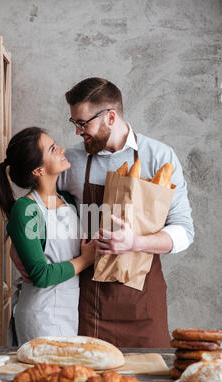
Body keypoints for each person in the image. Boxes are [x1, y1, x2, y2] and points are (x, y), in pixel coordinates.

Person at [58, 77, 194, 348]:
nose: (78, 132)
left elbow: (183, 231)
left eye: (83, 124)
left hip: (142, 301)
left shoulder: (159, 157)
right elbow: (37, 207)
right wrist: (17, 246)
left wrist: (135, 243)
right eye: (74, 123)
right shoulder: (70, 161)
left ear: (110, 117)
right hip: (87, 299)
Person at [0, 127, 95, 345]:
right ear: (38, 170)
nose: (62, 149)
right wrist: (86, 259)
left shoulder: (66, 200)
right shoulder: (27, 209)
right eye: (52, 149)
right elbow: (41, 275)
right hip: (41, 317)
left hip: (68, 312)